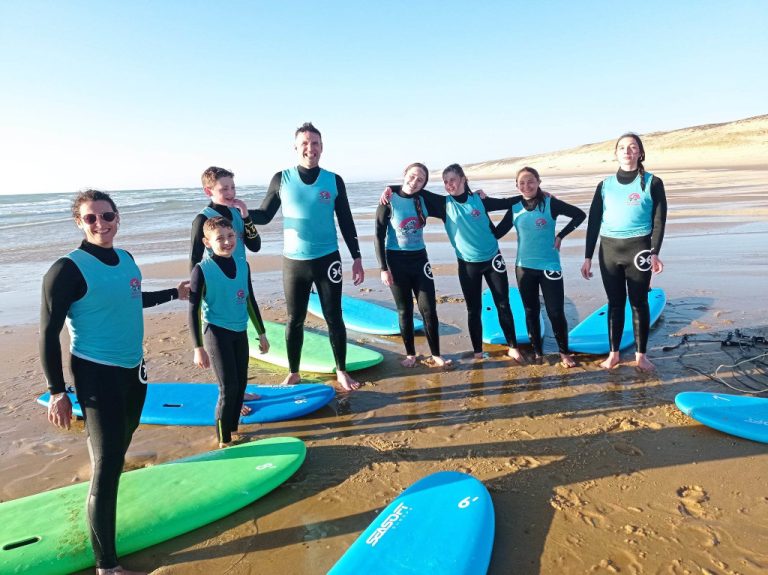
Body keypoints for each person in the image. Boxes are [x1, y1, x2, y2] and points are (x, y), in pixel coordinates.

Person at [41, 189, 190, 575]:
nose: (100, 224)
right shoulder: (67, 269)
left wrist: (173, 294)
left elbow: (131, 298)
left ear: (117, 218)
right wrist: (57, 391)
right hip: (95, 374)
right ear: (79, 222)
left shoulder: (126, 259)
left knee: (117, 450)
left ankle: (100, 496)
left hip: (133, 370)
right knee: (108, 466)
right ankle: (106, 566)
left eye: (107, 216)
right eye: (91, 218)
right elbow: (48, 334)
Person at [250, 122, 364, 391]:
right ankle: (294, 372)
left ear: (322, 147)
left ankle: (341, 370)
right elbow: (264, 215)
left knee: (334, 316)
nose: (310, 148)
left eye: (315, 143)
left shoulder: (334, 180)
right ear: (295, 147)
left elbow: (346, 221)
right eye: (304, 143)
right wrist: (239, 211)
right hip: (294, 262)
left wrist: (357, 258)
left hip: (328, 259)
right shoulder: (281, 178)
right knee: (295, 319)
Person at [383, 163, 523, 361]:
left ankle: (513, 347)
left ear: (463, 179)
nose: (449, 184)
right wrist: (390, 188)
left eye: (453, 180)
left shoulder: (480, 200)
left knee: (503, 304)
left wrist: (537, 195)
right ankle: (478, 352)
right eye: (445, 181)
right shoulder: (443, 204)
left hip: (493, 260)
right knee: (473, 310)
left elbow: (508, 202)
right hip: (467, 265)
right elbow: (412, 188)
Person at [580, 132, 667, 371]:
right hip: (609, 250)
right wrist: (587, 257)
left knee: (639, 302)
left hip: (639, 250)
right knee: (615, 303)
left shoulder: (653, 182)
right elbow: (593, 222)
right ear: (616, 153)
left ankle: (641, 355)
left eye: (632, 147)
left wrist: (655, 252)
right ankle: (614, 354)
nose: (627, 151)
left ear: (640, 153)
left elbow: (659, 220)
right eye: (622, 148)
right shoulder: (605, 185)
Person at [493, 167, 586, 367]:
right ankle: (538, 352)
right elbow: (497, 233)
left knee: (555, 311)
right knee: (531, 311)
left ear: (538, 182)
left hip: (550, 266)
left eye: (530, 181)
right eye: (522, 183)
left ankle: (564, 353)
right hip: (524, 267)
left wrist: (561, 235)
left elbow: (579, 215)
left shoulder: (551, 203)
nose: (526, 186)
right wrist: (478, 213)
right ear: (516, 186)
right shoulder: (515, 207)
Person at [189, 217, 269, 447]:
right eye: (220, 238)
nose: (227, 242)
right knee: (228, 388)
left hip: (239, 331)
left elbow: (250, 300)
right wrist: (198, 348)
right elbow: (193, 309)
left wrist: (262, 333)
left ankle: (232, 429)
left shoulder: (243, 265)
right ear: (207, 242)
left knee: (241, 384)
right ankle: (224, 441)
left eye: (230, 236)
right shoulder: (201, 270)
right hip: (215, 332)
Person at [375, 162, 452, 368]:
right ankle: (410, 354)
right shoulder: (388, 200)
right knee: (405, 310)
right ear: (405, 174)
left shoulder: (423, 199)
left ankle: (436, 354)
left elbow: (453, 201)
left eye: (420, 180)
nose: (414, 182)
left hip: (420, 260)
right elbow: (378, 235)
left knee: (429, 309)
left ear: (424, 184)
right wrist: (383, 268)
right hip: (395, 261)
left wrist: (476, 195)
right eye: (412, 176)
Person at [189, 166, 262, 270]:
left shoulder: (238, 213)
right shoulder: (203, 218)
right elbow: (195, 258)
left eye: (233, 187)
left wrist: (246, 215)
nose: (231, 192)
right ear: (208, 191)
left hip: (242, 272)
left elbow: (255, 247)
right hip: (217, 274)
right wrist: (196, 279)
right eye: (224, 189)